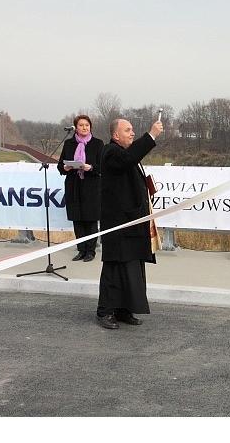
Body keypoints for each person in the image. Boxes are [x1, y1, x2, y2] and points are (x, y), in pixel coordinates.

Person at [96, 117, 163, 329]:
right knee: (114, 269)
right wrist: (151, 135)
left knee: (132, 268)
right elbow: (128, 159)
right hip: (118, 224)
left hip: (132, 222)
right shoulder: (110, 152)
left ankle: (124, 309)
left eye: (133, 130)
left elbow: (130, 160)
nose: (132, 133)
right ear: (115, 135)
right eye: (127, 130)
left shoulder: (124, 153)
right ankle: (105, 311)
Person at [57, 115, 104, 263]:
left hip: (91, 186)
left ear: (90, 127)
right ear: (75, 128)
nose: (84, 127)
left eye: (87, 125)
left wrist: (90, 167)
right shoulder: (69, 143)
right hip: (74, 185)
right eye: (81, 125)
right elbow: (60, 166)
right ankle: (81, 250)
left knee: (91, 220)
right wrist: (65, 167)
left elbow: (103, 166)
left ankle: (90, 251)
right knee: (77, 220)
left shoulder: (97, 144)